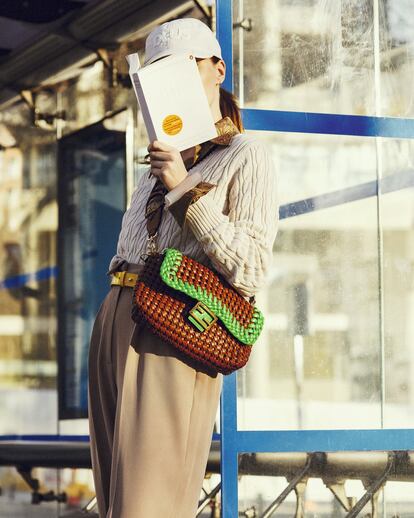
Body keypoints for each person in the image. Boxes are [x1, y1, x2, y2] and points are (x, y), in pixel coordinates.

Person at [88, 17, 279, 518]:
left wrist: (183, 188)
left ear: (217, 69)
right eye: (158, 74)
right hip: (117, 314)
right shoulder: (158, 161)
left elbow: (252, 265)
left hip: (173, 323)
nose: (171, 82)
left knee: (148, 504)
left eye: (183, 67)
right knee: (112, 497)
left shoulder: (246, 154)